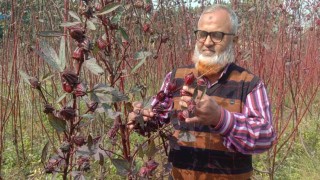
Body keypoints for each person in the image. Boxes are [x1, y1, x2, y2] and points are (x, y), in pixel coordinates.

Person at [128, 4, 276, 180]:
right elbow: (158, 119)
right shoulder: (175, 77)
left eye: (217, 35)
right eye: (202, 34)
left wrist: (221, 118)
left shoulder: (249, 84)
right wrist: (140, 119)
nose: (207, 42)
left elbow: (266, 137)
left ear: (234, 41)